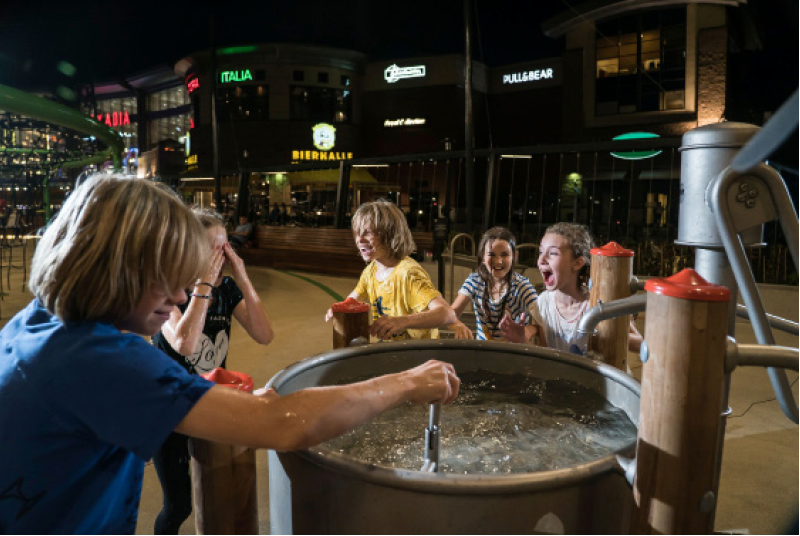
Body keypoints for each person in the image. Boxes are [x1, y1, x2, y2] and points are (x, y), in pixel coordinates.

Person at [0, 175, 460, 534]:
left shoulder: (33, 324)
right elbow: (279, 424)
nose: (182, 296)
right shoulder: (101, 359)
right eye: (168, 276)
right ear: (119, 269)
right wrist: (409, 381)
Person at [150, 208, 274, 534]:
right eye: (211, 249)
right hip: (171, 412)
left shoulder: (226, 290)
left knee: (222, 493)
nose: (219, 257)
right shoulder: (168, 291)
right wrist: (203, 284)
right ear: (187, 249)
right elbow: (185, 344)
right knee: (178, 505)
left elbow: (264, 335)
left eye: (224, 248)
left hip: (210, 404)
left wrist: (243, 278)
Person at [326, 199, 456, 341]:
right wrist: (340, 308)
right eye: (357, 233)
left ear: (390, 234)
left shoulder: (409, 273)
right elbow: (353, 300)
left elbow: (447, 314)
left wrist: (402, 321)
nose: (360, 239)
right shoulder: (371, 271)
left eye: (368, 232)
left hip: (419, 354)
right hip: (392, 352)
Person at [531, 222, 641, 355]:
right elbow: (545, 353)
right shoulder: (543, 303)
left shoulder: (597, 303)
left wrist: (608, 335)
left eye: (553, 253)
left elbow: (640, 343)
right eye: (541, 252)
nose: (541, 259)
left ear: (577, 263)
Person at [448, 227, 538, 342]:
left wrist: (527, 332)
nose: (498, 261)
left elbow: (542, 322)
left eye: (504, 255)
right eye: (492, 255)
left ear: (515, 257)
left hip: (515, 354)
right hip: (484, 353)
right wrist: (457, 325)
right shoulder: (474, 281)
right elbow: (450, 314)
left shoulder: (523, 286)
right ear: (482, 258)